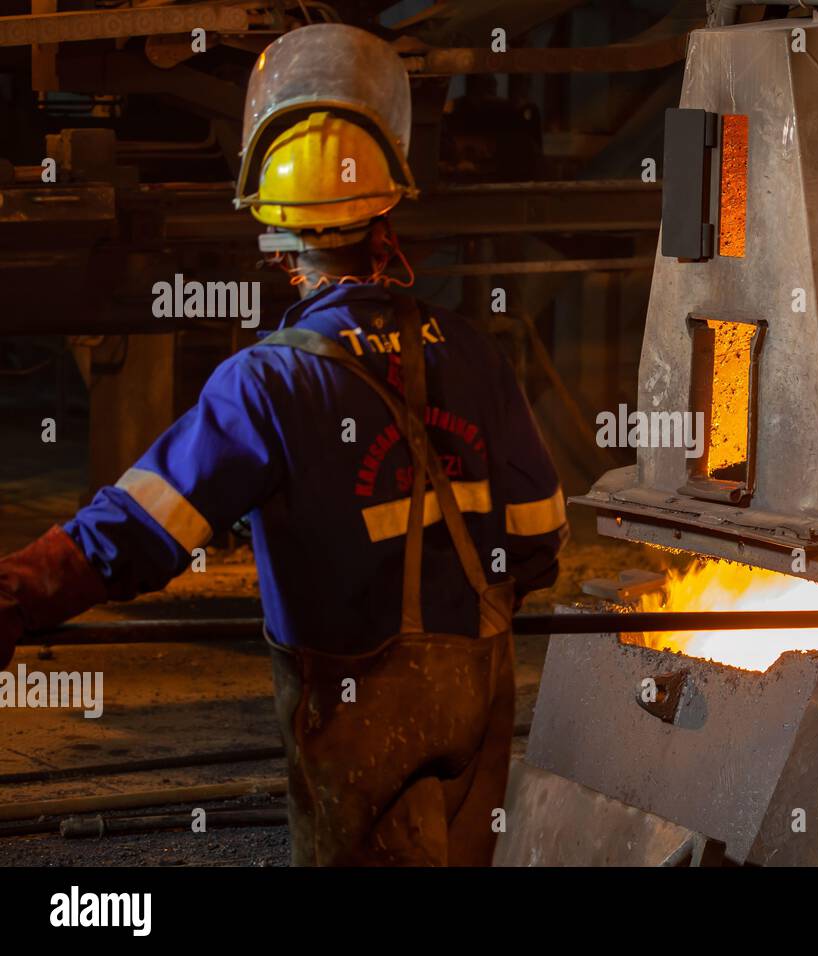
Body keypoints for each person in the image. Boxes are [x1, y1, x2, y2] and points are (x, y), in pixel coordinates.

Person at [0, 23, 568, 866]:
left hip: (354, 704)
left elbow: (142, 532)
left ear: (278, 244)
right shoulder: (474, 352)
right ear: (387, 219)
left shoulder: (268, 385)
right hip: (473, 695)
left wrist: (19, 594)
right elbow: (538, 538)